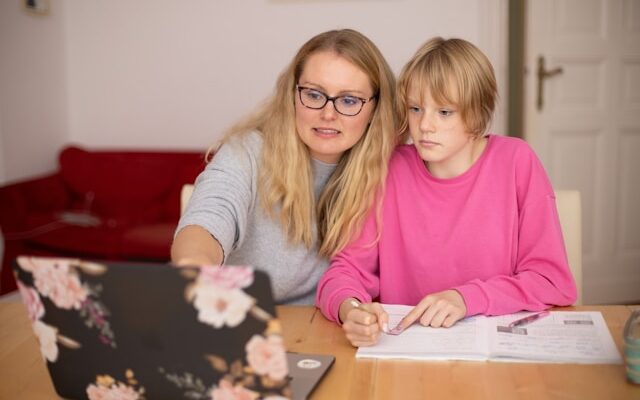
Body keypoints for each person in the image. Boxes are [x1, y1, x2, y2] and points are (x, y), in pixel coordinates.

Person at [316, 37, 577, 346]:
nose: (425, 125)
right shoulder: (389, 169)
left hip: (494, 356)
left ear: (477, 113)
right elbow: (345, 271)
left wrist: (466, 298)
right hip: (405, 354)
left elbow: (551, 282)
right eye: (416, 108)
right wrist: (352, 309)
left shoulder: (516, 161)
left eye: (444, 112)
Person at [171, 29, 398, 305]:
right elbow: (210, 216)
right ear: (293, 94)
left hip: (322, 330)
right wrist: (195, 265)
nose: (328, 114)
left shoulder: (390, 170)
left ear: (375, 107)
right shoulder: (247, 151)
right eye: (314, 95)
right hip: (233, 318)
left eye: (349, 100)